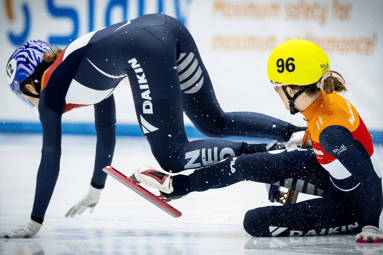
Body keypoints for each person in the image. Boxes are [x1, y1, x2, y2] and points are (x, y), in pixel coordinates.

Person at [1, 14, 305, 238]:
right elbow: (106, 131)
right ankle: (295, 134)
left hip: (144, 49)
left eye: (23, 91)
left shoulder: (51, 90)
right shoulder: (73, 68)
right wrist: (96, 188)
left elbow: (50, 156)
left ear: (30, 83)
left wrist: (34, 222)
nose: (29, 99)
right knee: (214, 120)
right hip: (167, 27)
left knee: (172, 156)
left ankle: (269, 152)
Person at [135, 39, 383, 238]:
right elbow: (330, 136)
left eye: (276, 86)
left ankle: (354, 220)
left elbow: (371, 180)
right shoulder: (322, 100)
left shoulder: (331, 132)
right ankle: (179, 186)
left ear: (293, 89)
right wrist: (274, 163)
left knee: (254, 222)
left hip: (354, 203)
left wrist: (371, 226)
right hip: (331, 173)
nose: (275, 92)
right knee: (244, 165)